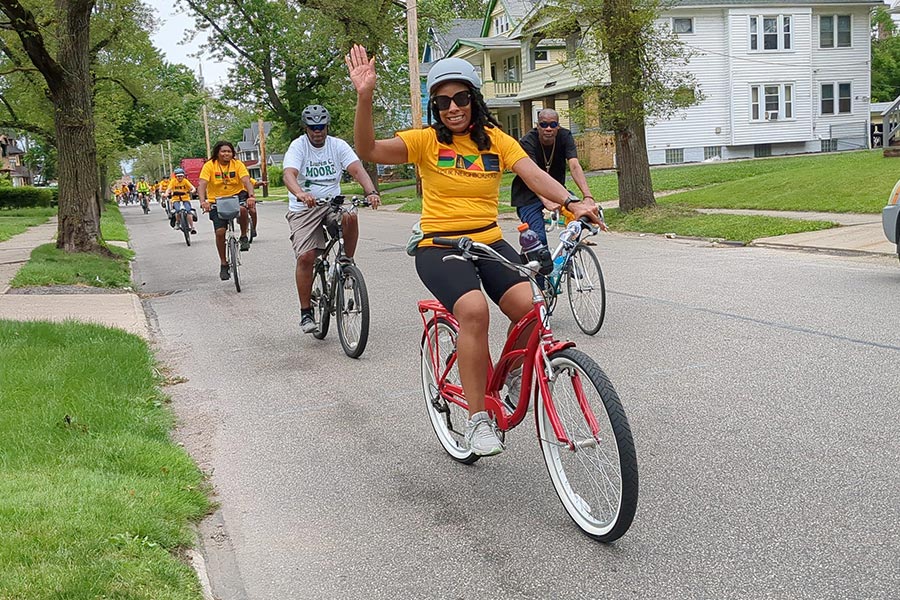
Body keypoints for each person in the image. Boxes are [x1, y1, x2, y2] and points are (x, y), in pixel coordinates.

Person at [346, 45, 599, 456]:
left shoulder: (497, 140)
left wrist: (573, 203)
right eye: (443, 102)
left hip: (488, 241)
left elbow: (534, 176)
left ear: (474, 99)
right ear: (435, 107)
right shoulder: (426, 142)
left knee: (534, 306)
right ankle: (478, 418)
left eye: (461, 98)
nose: (453, 108)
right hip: (439, 244)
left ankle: (512, 372)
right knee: (474, 311)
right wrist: (365, 97)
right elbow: (369, 149)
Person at [282, 104, 381, 334]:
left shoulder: (338, 145)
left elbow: (357, 169)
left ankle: (346, 261)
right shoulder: (299, 146)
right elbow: (289, 174)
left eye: (321, 127)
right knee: (306, 257)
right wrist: (300, 193)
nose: (317, 132)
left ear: (327, 127)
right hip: (304, 208)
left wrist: (371, 191)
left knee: (350, 214)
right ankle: (306, 313)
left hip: (331, 204)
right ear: (306, 128)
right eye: (313, 128)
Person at [510, 108, 603, 248]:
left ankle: (570, 252)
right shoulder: (528, 141)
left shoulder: (565, 136)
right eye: (544, 124)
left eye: (552, 125)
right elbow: (531, 176)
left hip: (556, 190)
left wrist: (588, 196)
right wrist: (546, 200)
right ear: (537, 125)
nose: (548, 128)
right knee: (538, 239)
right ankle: (536, 260)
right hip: (528, 194)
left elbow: (574, 165)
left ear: (558, 126)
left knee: (580, 217)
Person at [197, 141, 256, 281]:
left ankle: (243, 236)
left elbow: (246, 181)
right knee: (220, 232)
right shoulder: (209, 165)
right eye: (223, 151)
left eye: (229, 151)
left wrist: (251, 196)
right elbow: (202, 184)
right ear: (217, 153)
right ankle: (224, 263)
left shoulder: (237, 164)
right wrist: (203, 201)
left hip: (236, 196)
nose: (226, 154)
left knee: (243, 209)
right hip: (216, 200)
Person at [165, 167, 197, 234]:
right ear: (176, 177)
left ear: (183, 176)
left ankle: (192, 227)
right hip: (175, 199)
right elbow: (169, 189)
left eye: (181, 176)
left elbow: (192, 187)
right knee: (177, 210)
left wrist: (193, 191)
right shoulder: (173, 181)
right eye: (178, 176)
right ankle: (177, 223)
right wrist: (166, 193)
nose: (180, 178)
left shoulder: (185, 181)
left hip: (185, 198)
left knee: (188, 211)